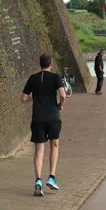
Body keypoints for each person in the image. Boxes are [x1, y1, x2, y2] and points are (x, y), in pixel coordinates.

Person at [21, 53, 67, 196]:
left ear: (40, 64)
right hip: (53, 117)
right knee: (54, 146)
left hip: (38, 119)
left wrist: (36, 96)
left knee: (39, 151)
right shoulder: (55, 77)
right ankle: (51, 177)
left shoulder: (33, 78)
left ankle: (38, 181)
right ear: (51, 64)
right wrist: (60, 105)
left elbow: (23, 98)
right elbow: (63, 95)